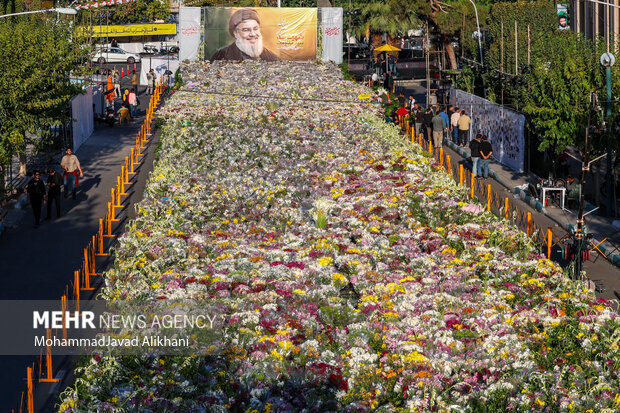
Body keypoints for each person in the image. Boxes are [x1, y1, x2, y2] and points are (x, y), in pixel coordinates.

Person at [211, 9, 279, 61]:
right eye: (246, 30)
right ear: (235, 33)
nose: (252, 34)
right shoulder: (222, 54)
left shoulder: (271, 57)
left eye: (255, 29)